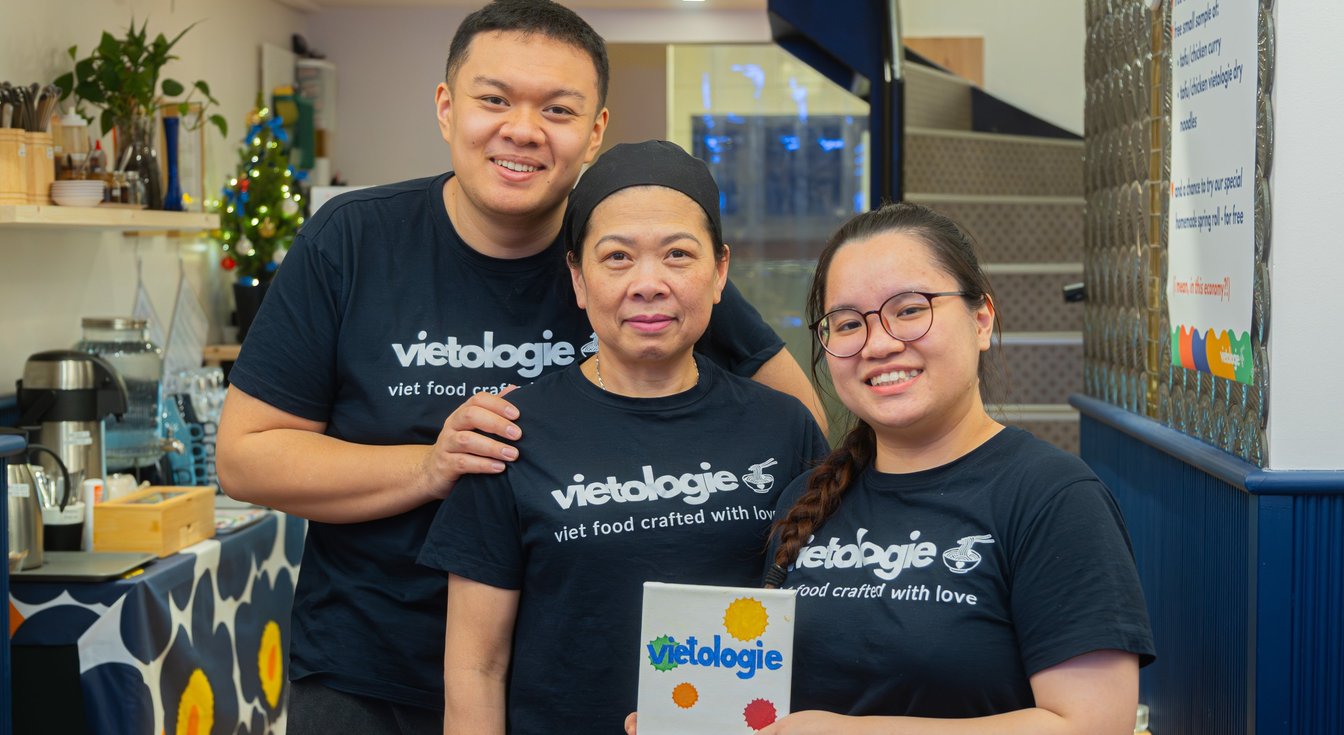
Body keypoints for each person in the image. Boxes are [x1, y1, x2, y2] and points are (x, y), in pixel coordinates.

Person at [215, 2, 823, 732]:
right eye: (495, 99)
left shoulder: (630, 254)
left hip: (561, 673)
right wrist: (430, 466)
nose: (523, 130)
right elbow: (245, 457)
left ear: (595, 130)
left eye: (558, 109)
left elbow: (793, 425)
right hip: (371, 665)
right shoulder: (353, 241)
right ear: (448, 107)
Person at [417, 139, 830, 735]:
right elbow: (476, 669)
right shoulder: (509, 433)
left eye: (678, 255)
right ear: (578, 279)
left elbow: (823, 626)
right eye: (617, 257)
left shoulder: (783, 428)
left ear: (719, 272)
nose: (648, 283)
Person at [754, 201, 1155, 733]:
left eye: (910, 309)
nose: (879, 344)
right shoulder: (806, 500)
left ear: (981, 319)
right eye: (848, 323)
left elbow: (1094, 725)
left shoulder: (1055, 498)